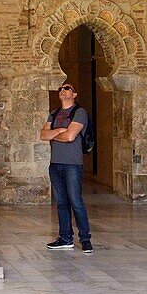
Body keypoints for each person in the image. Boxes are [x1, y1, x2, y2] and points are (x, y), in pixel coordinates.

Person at [39, 82, 93, 253]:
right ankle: (65, 238)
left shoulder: (80, 112)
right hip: (55, 164)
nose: (63, 90)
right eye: (61, 89)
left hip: (72, 164)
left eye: (67, 88)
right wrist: (58, 131)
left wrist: (54, 134)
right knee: (61, 203)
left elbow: (70, 136)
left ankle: (85, 239)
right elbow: (42, 135)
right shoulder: (53, 114)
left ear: (74, 94)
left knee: (76, 201)